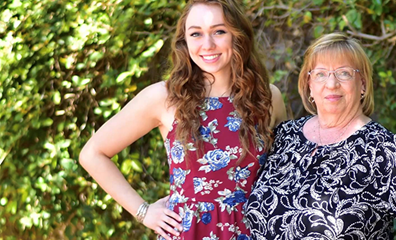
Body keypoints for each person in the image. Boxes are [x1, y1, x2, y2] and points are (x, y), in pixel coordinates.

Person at [79, 0, 287, 239]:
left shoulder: (268, 98)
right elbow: (92, 154)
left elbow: (285, 175)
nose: (207, 45)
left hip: (253, 232)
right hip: (187, 233)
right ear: (184, 41)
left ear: (237, 36)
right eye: (196, 34)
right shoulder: (164, 97)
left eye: (219, 31)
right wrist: (143, 212)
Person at [244, 33, 396, 239]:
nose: (331, 83)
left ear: (363, 84)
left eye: (344, 73)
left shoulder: (381, 150)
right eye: (320, 74)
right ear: (309, 85)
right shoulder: (285, 136)